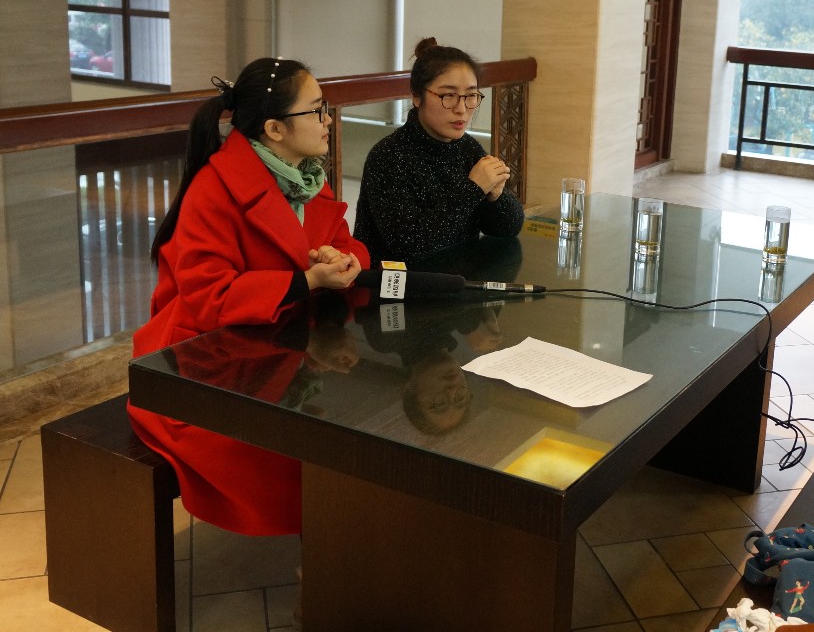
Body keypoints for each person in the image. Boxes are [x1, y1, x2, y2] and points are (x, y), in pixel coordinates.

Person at [128, 56, 369, 537]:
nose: (327, 121)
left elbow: (344, 240)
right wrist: (307, 281)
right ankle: (327, 557)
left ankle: (339, 549)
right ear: (275, 129)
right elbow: (209, 295)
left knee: (357, 430)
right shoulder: (216, 187)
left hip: (278, 343)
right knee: (289, 458)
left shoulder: (304, 176)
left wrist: (346, 261)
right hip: (206, 362)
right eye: (317, 110)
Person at [354, 37, 524, 263]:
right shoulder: (389, 156)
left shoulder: (467, 149)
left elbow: (508, 229)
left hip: (458, 277)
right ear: (417, 96)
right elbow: (410, 246)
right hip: (397, 282)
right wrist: (474, 189)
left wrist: (496, 197)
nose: (461, 109)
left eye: (470, 96)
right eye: (448, 96)